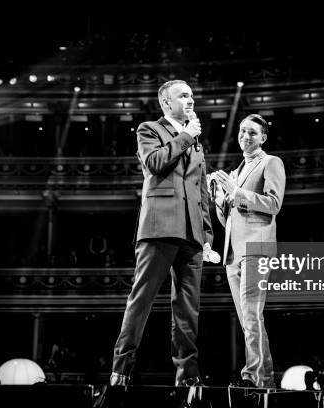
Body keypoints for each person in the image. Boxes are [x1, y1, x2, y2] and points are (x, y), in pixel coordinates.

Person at [110, 80, 215, 387]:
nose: (191, 100)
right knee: (140, 301)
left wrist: (207, 234)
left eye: (192, 95)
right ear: (167, 103)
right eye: (184, 96)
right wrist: (186, 136)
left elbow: (201, 191)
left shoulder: (195, 141)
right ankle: (121, 372)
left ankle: (188, 379)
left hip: (192, 235)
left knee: (187, 310)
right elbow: (155, 163)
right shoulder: (149, 129)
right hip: (159, 229)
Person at [212, 114, 286, 388]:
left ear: (263, 137)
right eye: (243, 131)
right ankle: (264, 379)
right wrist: (222, 200)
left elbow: (274, 204)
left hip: (257, 246)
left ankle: (252, 377)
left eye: (252, 133)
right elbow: (230, 218)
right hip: (233, 251)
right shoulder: (237, 170)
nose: (245, 136)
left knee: (252, 315)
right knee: (248, 319)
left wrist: (238, 193)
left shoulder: (271, 162)